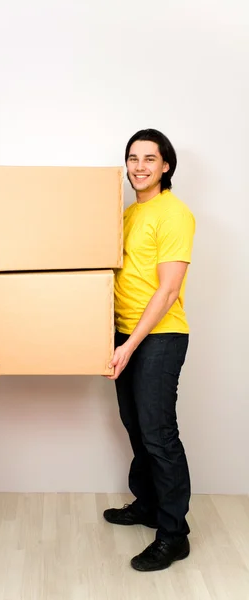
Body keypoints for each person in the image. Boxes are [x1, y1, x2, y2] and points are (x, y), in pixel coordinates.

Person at [104, 129, 195, 572]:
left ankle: (174, 534)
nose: (139, 166)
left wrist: (131, 345)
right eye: (132, 158)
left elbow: (168, 288)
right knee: (136, 426)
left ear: (166, 166)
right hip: (125, 334)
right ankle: (148, 504)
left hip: (159, 336)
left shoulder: (174, 214)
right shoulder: (126, 214)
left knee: (158, 433)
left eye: (149, 159)